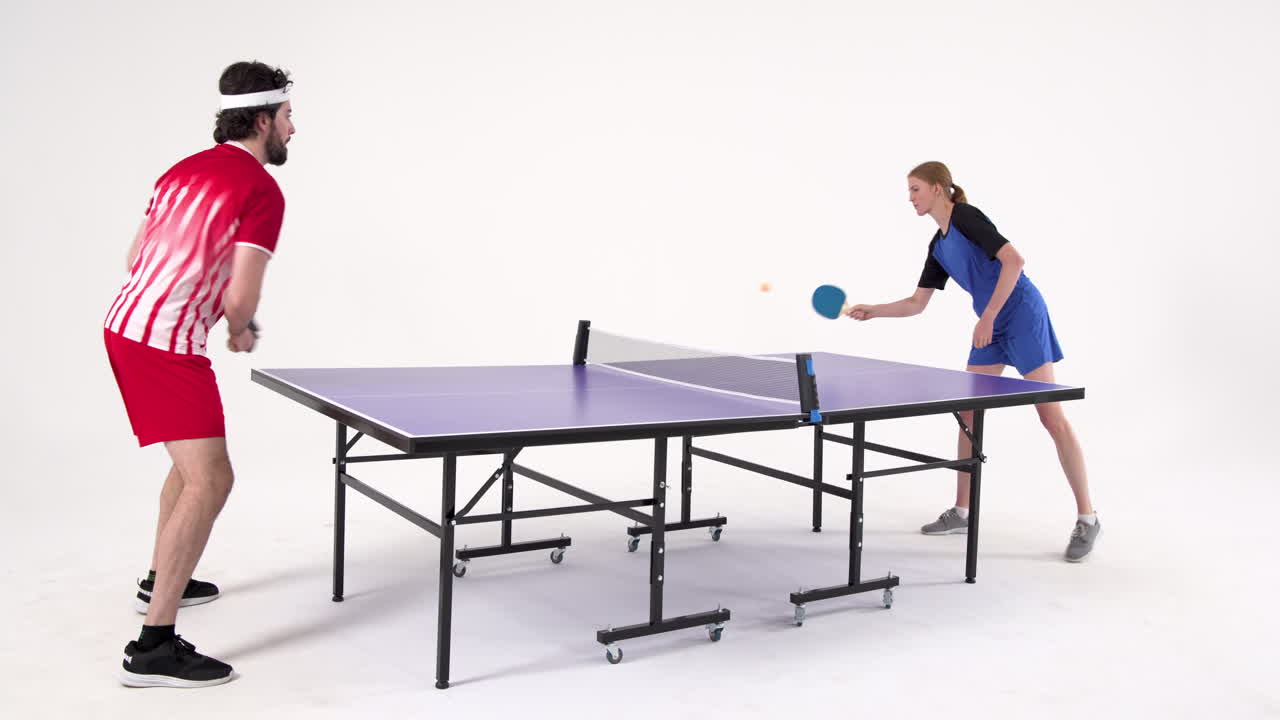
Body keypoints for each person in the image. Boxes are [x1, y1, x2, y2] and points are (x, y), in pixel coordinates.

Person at [104, 60, 295, 687]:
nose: (294, 128)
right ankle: (153, 647)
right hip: (165, 344)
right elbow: (241, 296)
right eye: (289, 117)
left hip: (126, 325)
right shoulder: (261, 191)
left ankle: (163, 580)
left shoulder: (180, 170)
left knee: (188, 469)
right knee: (212, 479)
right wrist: (240, 327)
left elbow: (134, 255)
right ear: (263, 120)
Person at [847, 161, 1100, 562]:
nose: (909, 197)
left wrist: (988, 317)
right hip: (992, 323)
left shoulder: (966, 216)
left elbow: (1015, 261)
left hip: (1020, 315)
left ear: (938, 188)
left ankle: (1088, 517)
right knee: (967, 411)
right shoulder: (937, 245)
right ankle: (963, 511)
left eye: (915, 189)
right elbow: (917, 303)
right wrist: (873, 310)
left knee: (1050, 414)